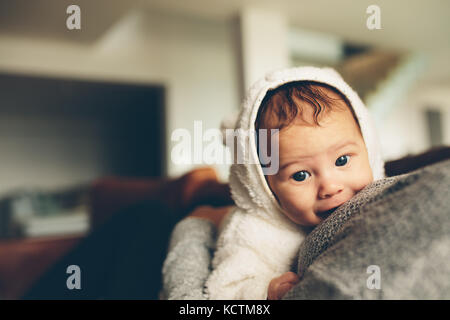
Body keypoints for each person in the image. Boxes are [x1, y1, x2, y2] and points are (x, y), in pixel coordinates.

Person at [162, 66, 385, 300]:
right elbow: (224, 290)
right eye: (300, 175)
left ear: (368, 148)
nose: (329, 187)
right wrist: (264, 292)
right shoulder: (254, 232)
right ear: (264, 186)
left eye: (341, 160)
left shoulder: (387, 200)